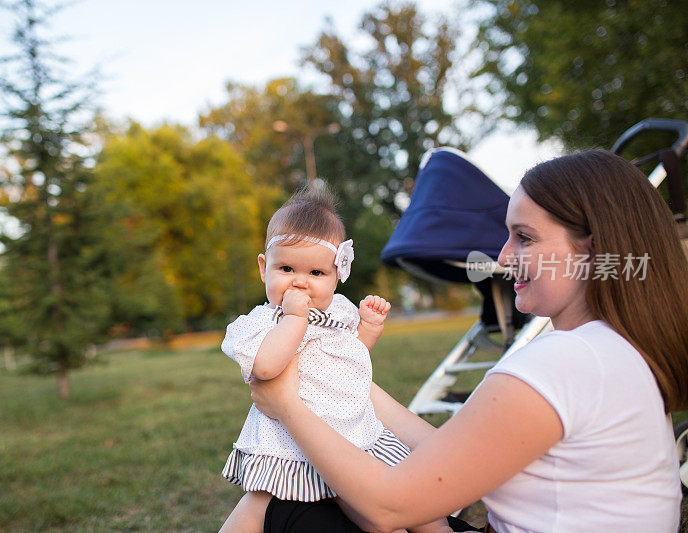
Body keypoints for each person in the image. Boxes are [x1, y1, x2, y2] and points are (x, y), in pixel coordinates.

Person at [250, 150, 688, 532]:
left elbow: (386, 507)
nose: (501, 257)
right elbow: (451, 451)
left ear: (591, 254)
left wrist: (286, 404)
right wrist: (336, 375)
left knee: (279, 507)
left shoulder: (567, 360)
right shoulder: (612, 348)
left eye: (525, 237)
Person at [219, 188, 453, 533]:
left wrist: (368, 330)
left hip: (354, 434)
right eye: (285, 267)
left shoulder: (339, 311)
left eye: (316, 273)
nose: (300, 282)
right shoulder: (257, 324)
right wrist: (294, 320)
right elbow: (266, 368)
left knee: (414, 510)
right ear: (263, 267)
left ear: (336, 275)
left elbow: (350, 358)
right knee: (369, 517)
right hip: (299, 446)